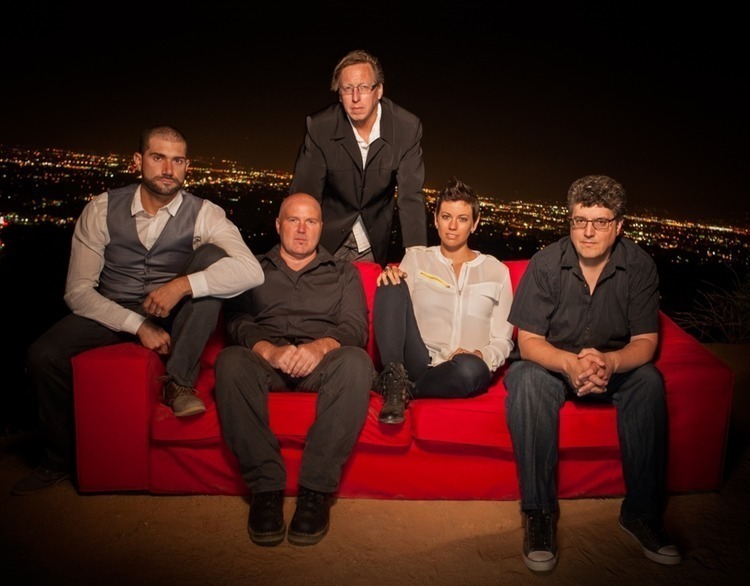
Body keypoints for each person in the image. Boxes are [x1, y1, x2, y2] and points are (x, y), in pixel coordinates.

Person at [12, 125, 264, 496]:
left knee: (213, 259)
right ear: (138, 161)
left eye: (177, 160)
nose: (168, 169)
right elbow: (78, 292)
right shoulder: (101, 208)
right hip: (113, 307)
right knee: (43, 355)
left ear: (187, 166)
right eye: (158, 157)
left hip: (176, 312)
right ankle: (57, 461)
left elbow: (251, 271)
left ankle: (179, 382)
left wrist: (182, 285)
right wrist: (138, 326)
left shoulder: (205, 213)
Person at [504, 174, 681, 572]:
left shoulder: (639, 266)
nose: (588, 231)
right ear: (570, 221)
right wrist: (569, 363)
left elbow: (646, 341)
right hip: (553, 364)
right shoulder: (545, 263)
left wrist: (610, 363)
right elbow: (529, 341)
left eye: (600, 222)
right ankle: (539, 514)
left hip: (610, 365)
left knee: (649, 381)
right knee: (526, 378)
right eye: (580, 220)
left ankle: (642, 514)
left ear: (619, 226)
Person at [214, 192, 374, 547]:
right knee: (230, 361)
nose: (302, 229)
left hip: (320, 367)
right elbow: (237, 320)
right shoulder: (252, 268)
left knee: (356, 362)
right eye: (293, 220)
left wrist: (320, 348)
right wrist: (269, 351)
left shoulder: (343, 272)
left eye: (311, 221)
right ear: (278, 225)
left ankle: (315, 492)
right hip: (267, 364)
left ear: (321, 227)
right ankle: (266, 490)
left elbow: (354, 328)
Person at [372, 178, 514, 424]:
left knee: (471, 370)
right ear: (436, 219)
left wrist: (480, 354)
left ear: (475, 223)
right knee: (390, 281)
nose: (453, 226)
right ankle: (395, 380)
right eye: (446, 217)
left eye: (462, 219)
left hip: (459, 369)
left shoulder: (497, 272)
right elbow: (397, 308)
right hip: (418, 360)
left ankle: (405, 390)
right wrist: (391, 276)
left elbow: (504, 340)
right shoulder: (416, 259)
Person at [289, 49, 427, 266]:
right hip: (324, 240)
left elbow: (411, 196)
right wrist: (297, 250)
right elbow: (305, 193)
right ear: (339, 95)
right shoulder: (320, 127)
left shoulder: (406, 128)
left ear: (378, 90)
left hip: (372, 241)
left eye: (363, 87)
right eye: (347, 89)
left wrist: (417, 255)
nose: (355, 98)